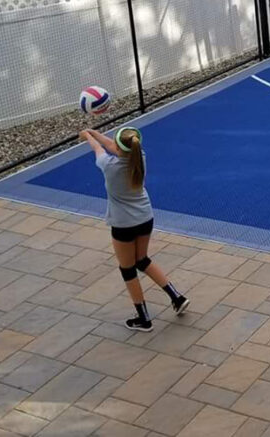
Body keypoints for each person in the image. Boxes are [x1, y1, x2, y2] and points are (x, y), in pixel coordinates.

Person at [79, 127, 189, 331]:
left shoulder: (109, 166)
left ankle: (143, 318)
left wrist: (88, 136)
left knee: (127, 269)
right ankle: (176, 296)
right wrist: (95, 133)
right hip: (145, 217)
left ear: (119, 148)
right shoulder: (140, 158)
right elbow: (115, 146)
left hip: (123, 224)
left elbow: (100, 149)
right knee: (143, 260)